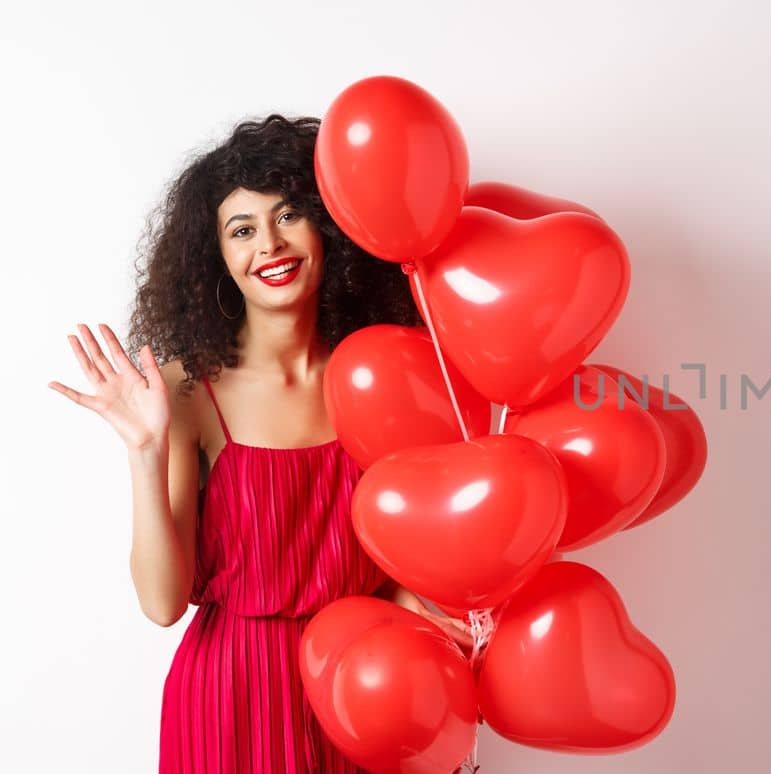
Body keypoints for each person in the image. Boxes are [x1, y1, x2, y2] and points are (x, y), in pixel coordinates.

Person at [47, 115, 473, 773]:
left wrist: (404, 601)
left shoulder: (388, 374)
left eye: (289, 217)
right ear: (216, 256)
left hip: (362, 685)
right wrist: (145, 447)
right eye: (242, 230)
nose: (269, 245)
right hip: (230, 701)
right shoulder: (185, 392)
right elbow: (162, 604)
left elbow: (395, 540)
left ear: (329, 229)